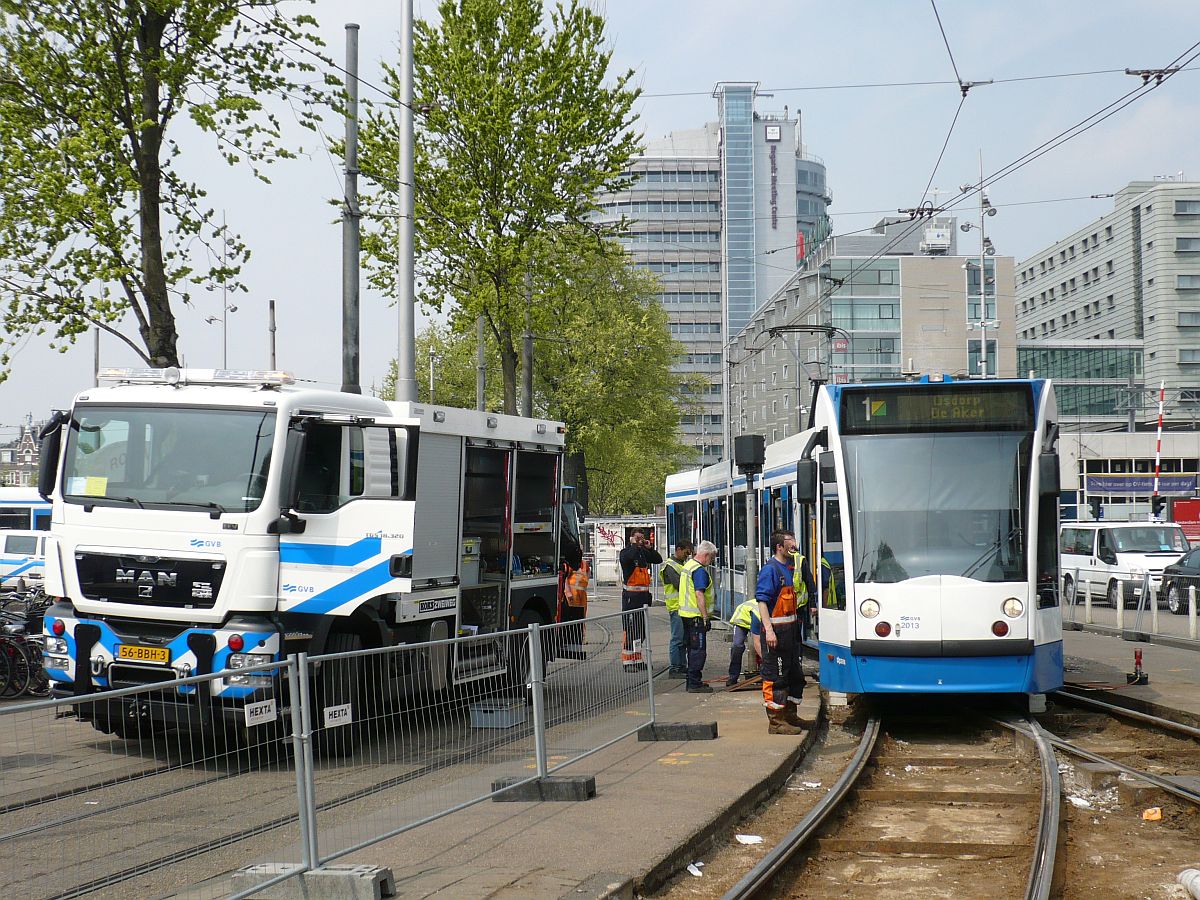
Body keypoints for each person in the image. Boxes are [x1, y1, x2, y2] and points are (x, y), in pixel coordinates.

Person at [757, 530, 817, 734]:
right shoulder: (770, 570)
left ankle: (790, 716)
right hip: (777, 633)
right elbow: (762, 602)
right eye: (789, 542)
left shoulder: (788, 567)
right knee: (776, 676)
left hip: (790, 632)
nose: (794, 545)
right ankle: (776, 722)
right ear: (779, 547)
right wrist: (769, 631)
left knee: (794, 674)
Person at [619, 530, 662, 671]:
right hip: (631, 599)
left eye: (641, 538)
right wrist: (634, 544)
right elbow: (630, 557)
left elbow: (658, 559)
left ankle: (637, 658)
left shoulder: (643, 554)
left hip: (642, 600)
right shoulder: (625, 553)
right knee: (630, 630)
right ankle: (627, 662)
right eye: (637, 537)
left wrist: (649, 547)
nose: (640, 540)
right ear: (631, 539)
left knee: (640, 631)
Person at [678, 540, 717, 693]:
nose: (711, 561)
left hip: (685, 615)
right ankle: (695, 683)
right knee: (698, 651)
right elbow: (699, 594)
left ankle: (691, 681)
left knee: (691, 650)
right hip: (696, 617)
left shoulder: (688, 566)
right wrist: (705, 617)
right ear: (706, 555)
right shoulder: (699, 571)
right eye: (712, 557)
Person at [659, 540, 693, 678]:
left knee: (684, 639)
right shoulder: (670, 566)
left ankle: (681, 666)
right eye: (686, 553)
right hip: (676, 607)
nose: (687, 556)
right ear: (678, 549)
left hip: (683, 607)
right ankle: (674, 668)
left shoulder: (682, 564)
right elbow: (680, 584)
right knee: (677, 638)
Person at [726, 591, 760, 686]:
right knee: (737, 647)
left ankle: (764, 670)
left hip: (752, 618)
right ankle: (733, 677)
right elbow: (756, 641)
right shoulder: (758, 612)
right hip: (741, 621)